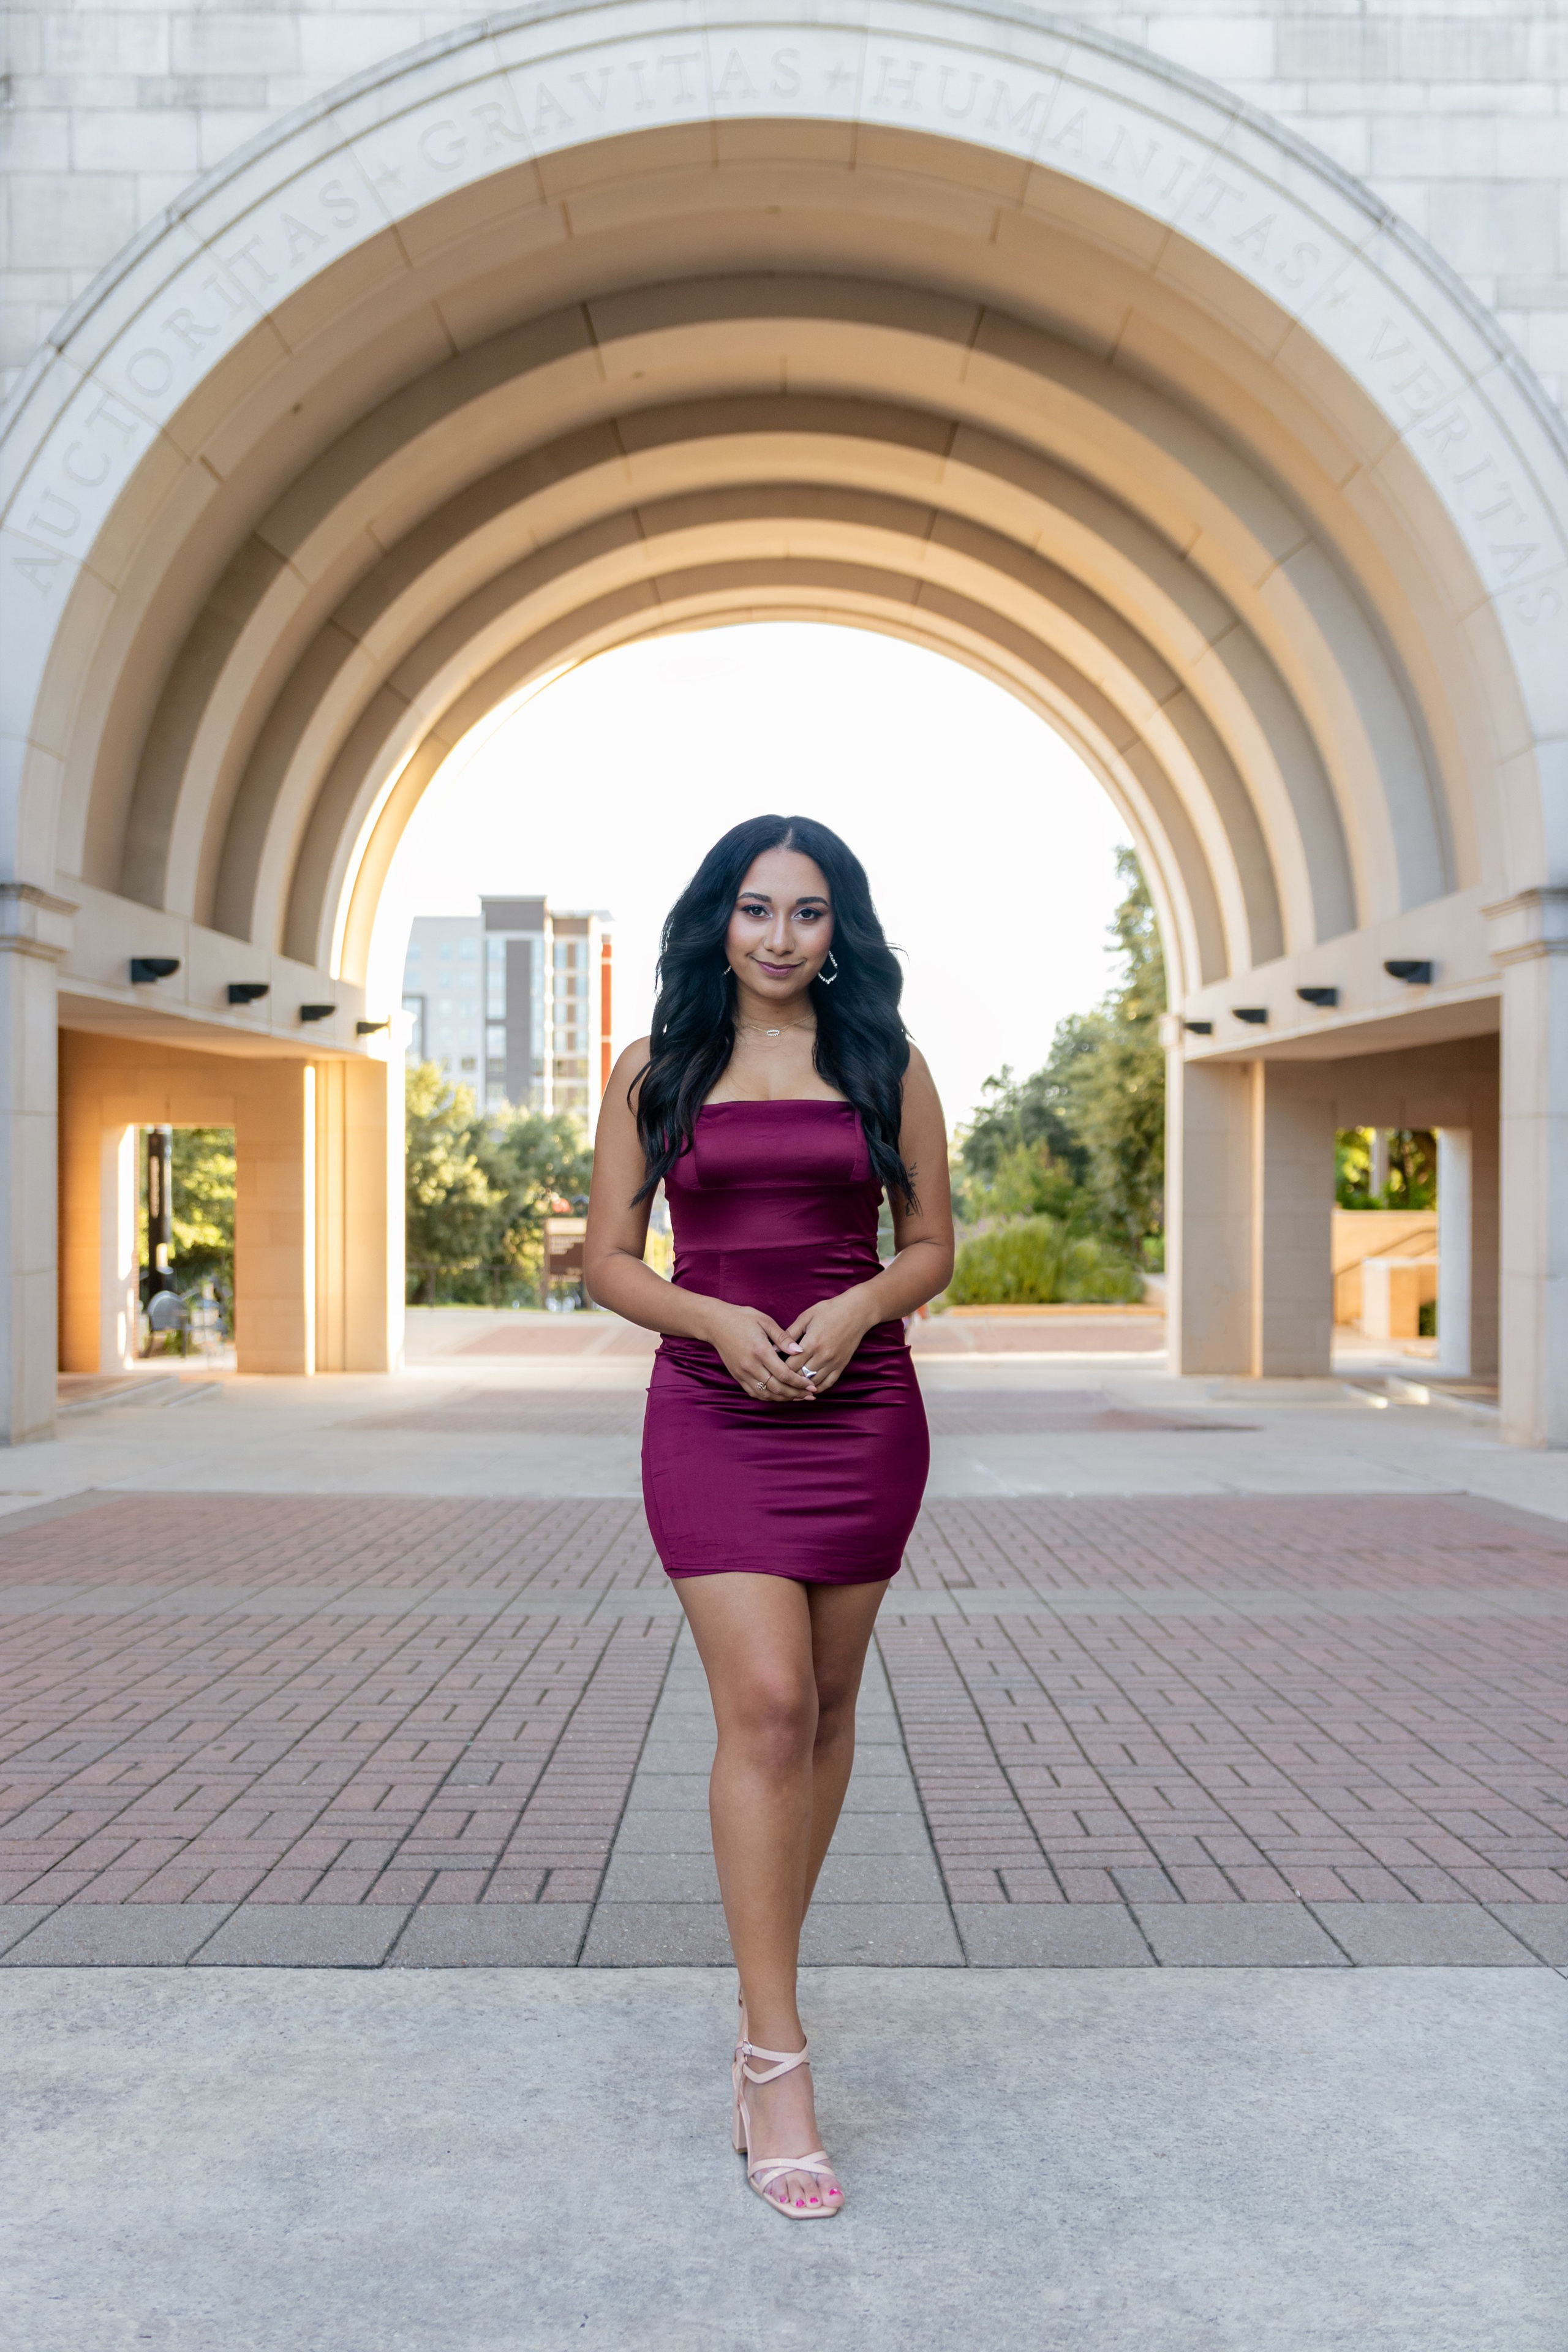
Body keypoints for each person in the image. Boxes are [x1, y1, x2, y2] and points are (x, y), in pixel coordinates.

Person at [585, 814, 953, 2220]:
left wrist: (860, 1304)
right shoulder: (654, 1071)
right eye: (757, 909)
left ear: (839, 929)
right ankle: (774, 2058)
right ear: (717, 921)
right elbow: (611, 1264)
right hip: (709, 1406)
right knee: (767, 1701)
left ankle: (759, 1995)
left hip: (862, 1413)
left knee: (830, 1707)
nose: (782, 937)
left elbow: (929, 1244)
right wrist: (715, 1319)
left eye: (808, 913)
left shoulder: (885, 1065)